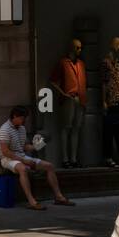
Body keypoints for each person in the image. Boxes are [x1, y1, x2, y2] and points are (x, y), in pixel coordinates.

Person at [0, 106, 73, 210]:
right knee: (22, 169)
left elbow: (24, 146)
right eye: (22, 118)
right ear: (15, 116)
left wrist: (38, 145)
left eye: (25, 118)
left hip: (22, 156)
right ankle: (32, 201)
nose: (24, 121)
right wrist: (24, 161)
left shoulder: (22, 128)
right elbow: (5, 152)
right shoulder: (4, 129)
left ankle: (59, 197)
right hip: (8, 159)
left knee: (49, 166)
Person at [50, 39, 87, 168]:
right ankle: (65, 159)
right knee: (66, 127)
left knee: (76, 128)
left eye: (80, 48)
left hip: (80, 99)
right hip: (69, 98)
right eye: (77, 48)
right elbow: (53, 81)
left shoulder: (81, 64)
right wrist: (63, 94)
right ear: (71, 48)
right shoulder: (63, 63)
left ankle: (73, 159)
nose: (79, 50)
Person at [101, 36, 119, 167]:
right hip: (110, 100)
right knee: (109, 131)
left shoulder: (117, 62)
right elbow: (104, 83)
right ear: (112, 45)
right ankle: (108, 157)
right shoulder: (105, 62)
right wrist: (104, 101)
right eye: (118, 45)